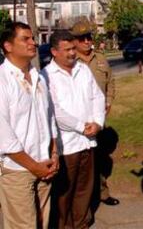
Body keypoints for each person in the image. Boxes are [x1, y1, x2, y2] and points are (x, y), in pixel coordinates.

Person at [42, 30, 105, 228]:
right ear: (54, 51)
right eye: (67, 49)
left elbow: (98, 96)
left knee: (84, 188)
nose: (72, 53)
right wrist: (81, 127)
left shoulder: (83, 69)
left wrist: (97, 123)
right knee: (64, 192)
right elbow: (54, 111)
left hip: (87, 142)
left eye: (73, 48)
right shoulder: (46, 76)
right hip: (65, 146)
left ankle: (81, 223)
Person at [0, 22, 59, 229]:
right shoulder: (2, 80)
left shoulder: (38, 77)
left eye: (32, 38)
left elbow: (48, 117)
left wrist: (53, 153)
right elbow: (3, 134)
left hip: (44, 164)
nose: (33, 42)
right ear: (8, 46)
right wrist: (34, 166)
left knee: (43, 222)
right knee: (23, 226)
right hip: (18, 169)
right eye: (25, 39)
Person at [71, 21, 119, 206]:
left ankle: (102, 193)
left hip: (99, 120)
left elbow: (111, 82)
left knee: (100, 158)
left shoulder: (100, 58)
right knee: (80, 162)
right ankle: (82, 198)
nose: (86, 41)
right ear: (74, 41)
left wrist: (108, 101)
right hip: (78, 122)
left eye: (89, 37)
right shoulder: (71, 60)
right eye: (81, 38)